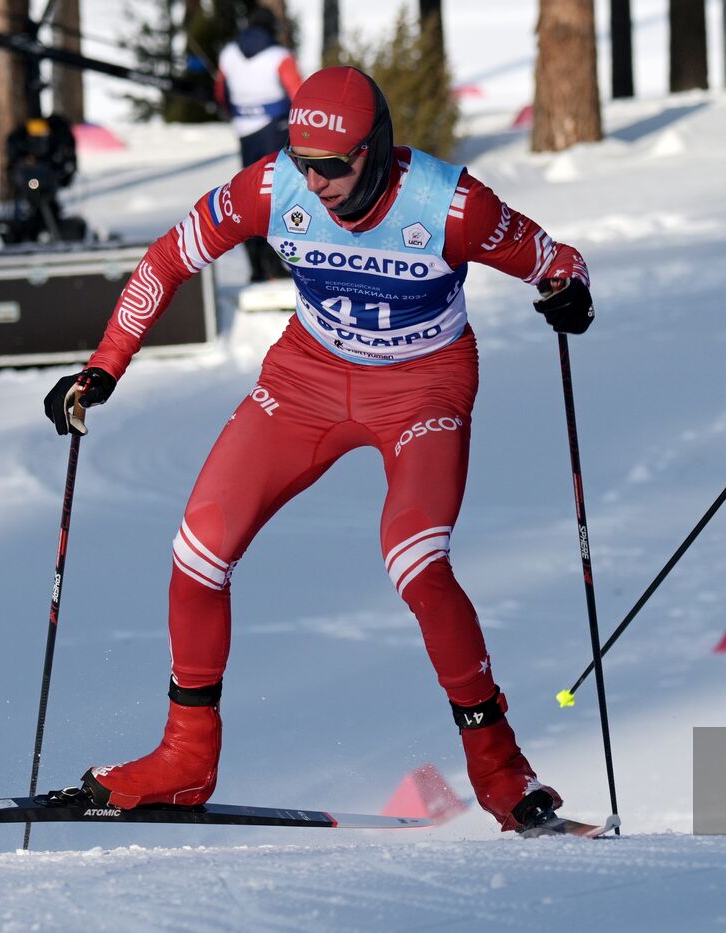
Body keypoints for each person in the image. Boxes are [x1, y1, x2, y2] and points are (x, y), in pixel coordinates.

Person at [42, 66, 596, 833]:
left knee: (415, 558)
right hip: (307, 376)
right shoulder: (274, 188)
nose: (319, 181)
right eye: (305, 161)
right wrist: (103, 366)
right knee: (198, 551)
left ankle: (501, 772)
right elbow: (168, 260)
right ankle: (185, 757)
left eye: (335, 165)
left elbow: (554, 260)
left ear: (377, 148)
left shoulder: (452, 206)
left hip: (422, 389)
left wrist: (568, 291)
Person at [214, 6, 302, 282]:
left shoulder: (229, 54)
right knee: (277, 194)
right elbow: (298, 93)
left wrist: (234, 112)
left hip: (244, 130)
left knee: (249, 194)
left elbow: (221, 92)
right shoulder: (280, 56)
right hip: (274, 130)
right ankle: (276, 266)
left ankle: (256, 266)